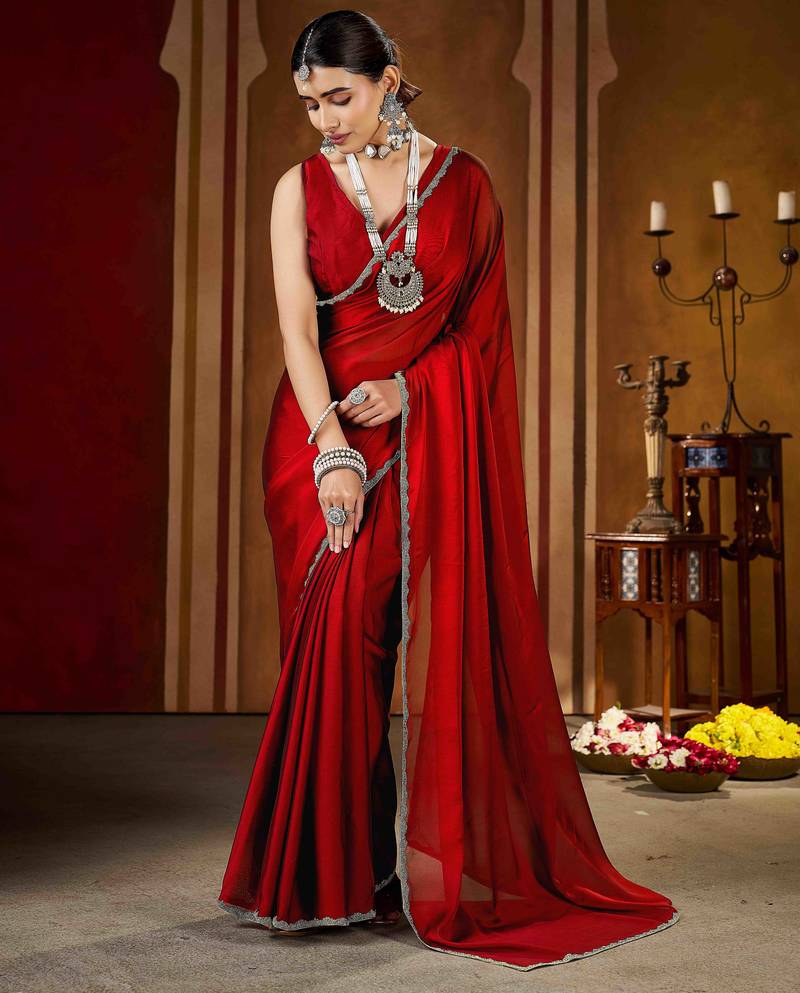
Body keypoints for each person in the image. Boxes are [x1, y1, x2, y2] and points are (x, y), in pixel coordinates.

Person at [217, 9, 680, 971]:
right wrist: (332, 448)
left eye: (339, 97)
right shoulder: (298, 188)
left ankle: (384, 873)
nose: (324, 120)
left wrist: (412, 389)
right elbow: (298, 333)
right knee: (339, 640)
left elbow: (480, 338)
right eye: (309, 104)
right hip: (320, 440)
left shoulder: (465, 187)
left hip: (425, 434)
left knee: (393, 636)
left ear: (387, 80)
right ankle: (331, 881)